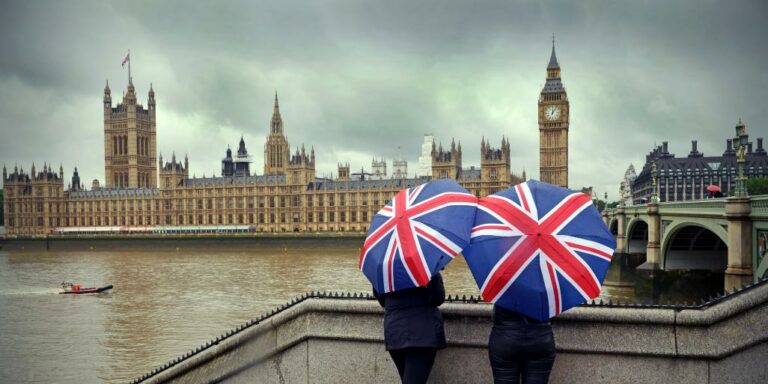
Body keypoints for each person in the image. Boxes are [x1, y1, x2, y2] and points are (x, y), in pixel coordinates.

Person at [373, 273, 446, 384]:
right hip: (423, 333)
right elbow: (438, 298)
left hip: (395, 332)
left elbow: (383, 301)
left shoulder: (384, 269)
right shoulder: (425, 267)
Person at [488, 305, 556, 384]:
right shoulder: (543, 292)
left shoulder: (502, 292)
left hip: (505, 340)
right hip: (540, 339)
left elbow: (494, 316)